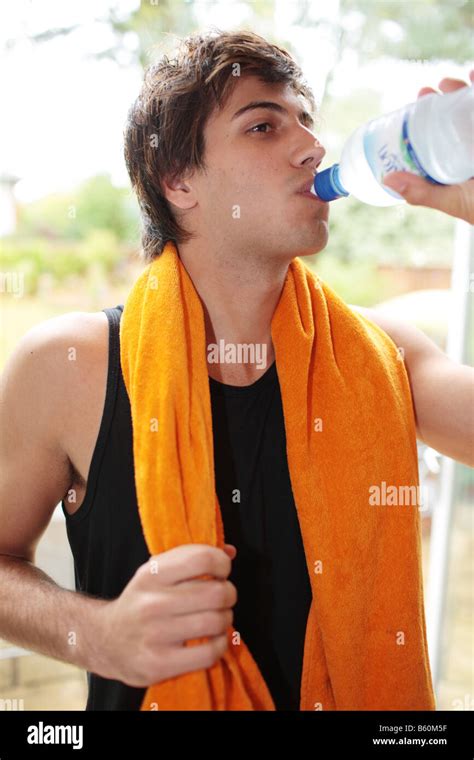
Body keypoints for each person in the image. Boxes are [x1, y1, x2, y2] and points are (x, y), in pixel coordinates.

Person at [0, 30, 472, 711]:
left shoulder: (385, 354)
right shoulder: (70, 367)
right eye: (263, 124)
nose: (312, 146)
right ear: (178, 180)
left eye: (307, 121)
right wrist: (98, 636)